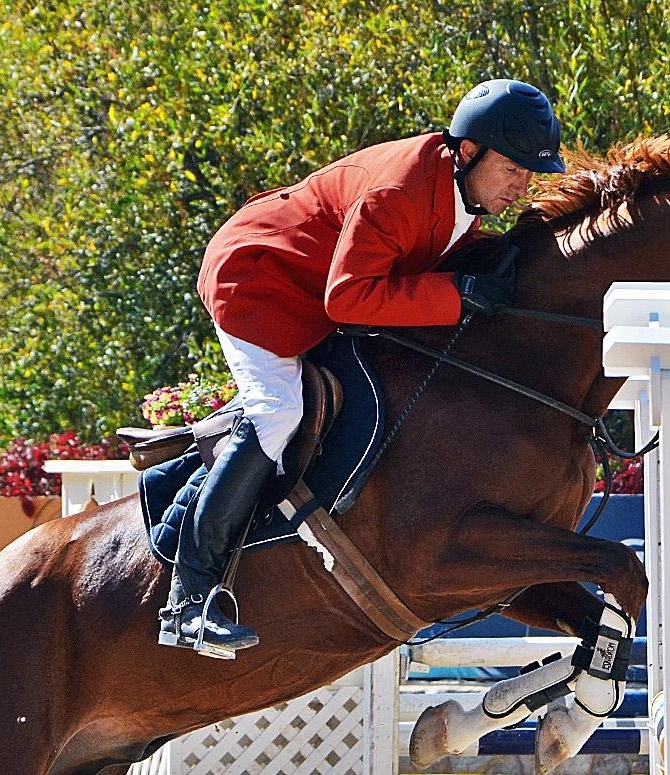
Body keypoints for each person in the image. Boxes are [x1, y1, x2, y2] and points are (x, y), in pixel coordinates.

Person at [162, 79, 567, 658]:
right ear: (470, 151)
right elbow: (348, 299)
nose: (521, 185)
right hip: (258, 283)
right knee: (278, 413)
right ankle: (189, 602)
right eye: (513, 168)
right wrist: (458, 294)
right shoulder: (400, 191)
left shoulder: (458, 196)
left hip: (308, 288)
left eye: (531, 172)